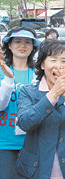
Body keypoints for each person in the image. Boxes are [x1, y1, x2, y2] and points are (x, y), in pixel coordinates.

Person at [15, 39, 65, 178]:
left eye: (64, 61)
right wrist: (53, 94)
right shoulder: (28, 92)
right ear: (43, 65)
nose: (58, 66)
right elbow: (25, 123)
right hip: (35, 169)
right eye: (53, 60)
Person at [0, 27, 39, 178]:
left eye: (27, 42)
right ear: (9, 45)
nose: (22, 45)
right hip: (4, 142)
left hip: (32, 142)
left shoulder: (39, 73)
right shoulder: (2, 70)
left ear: (33, 47)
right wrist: (9, 80)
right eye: (17, 41)